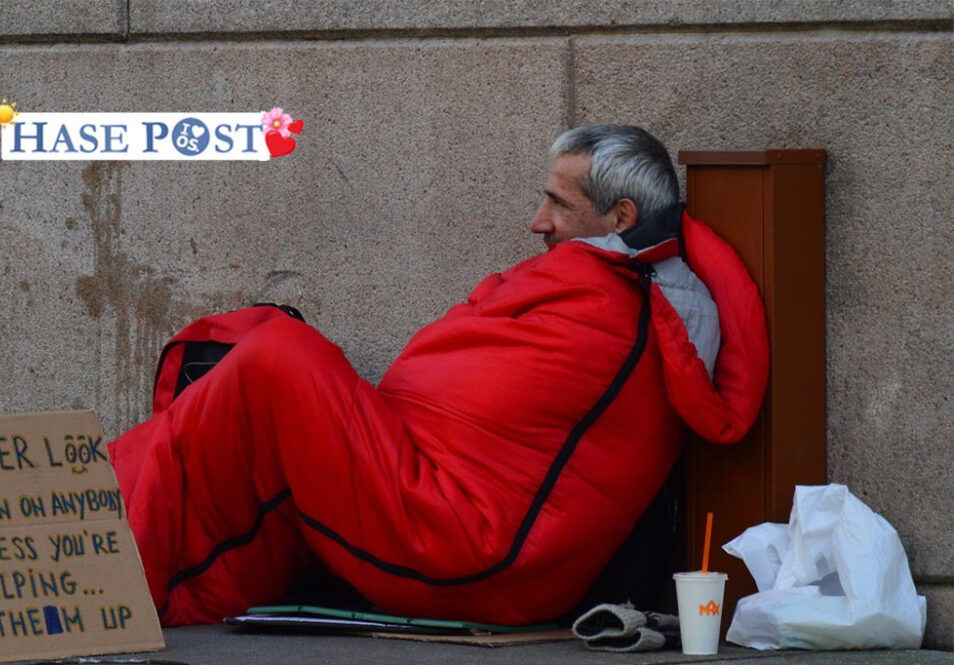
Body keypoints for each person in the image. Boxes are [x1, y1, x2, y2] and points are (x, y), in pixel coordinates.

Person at [110, 125, 769, 627]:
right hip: (444, 507)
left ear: (621, 219)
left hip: (470, 549)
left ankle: (110, 568)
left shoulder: (620, 311)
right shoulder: (608, 291)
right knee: (252, 352)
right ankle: (90, 505)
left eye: (558, 206)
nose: (538, 223)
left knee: (278, 356)